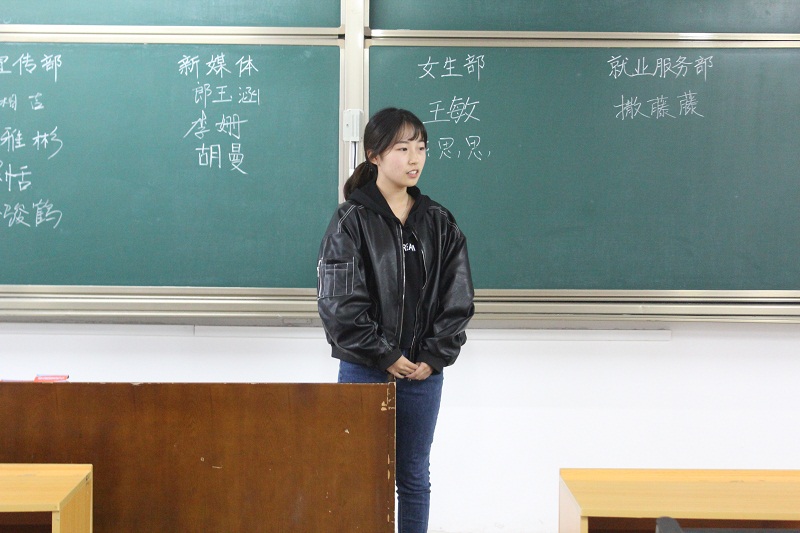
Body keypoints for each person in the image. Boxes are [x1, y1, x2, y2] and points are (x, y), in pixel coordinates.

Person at [317, 107, 474, 533]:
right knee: (358, 474)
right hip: (365, 369)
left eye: (421, 148)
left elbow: (457, 300)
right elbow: (339, 304)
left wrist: (433, 357)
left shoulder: (439, 222)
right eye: (402, 149)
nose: (414, 158)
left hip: (422, 373)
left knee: (414, 477)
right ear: (374, 155)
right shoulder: (351, 220)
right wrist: (384, 354)